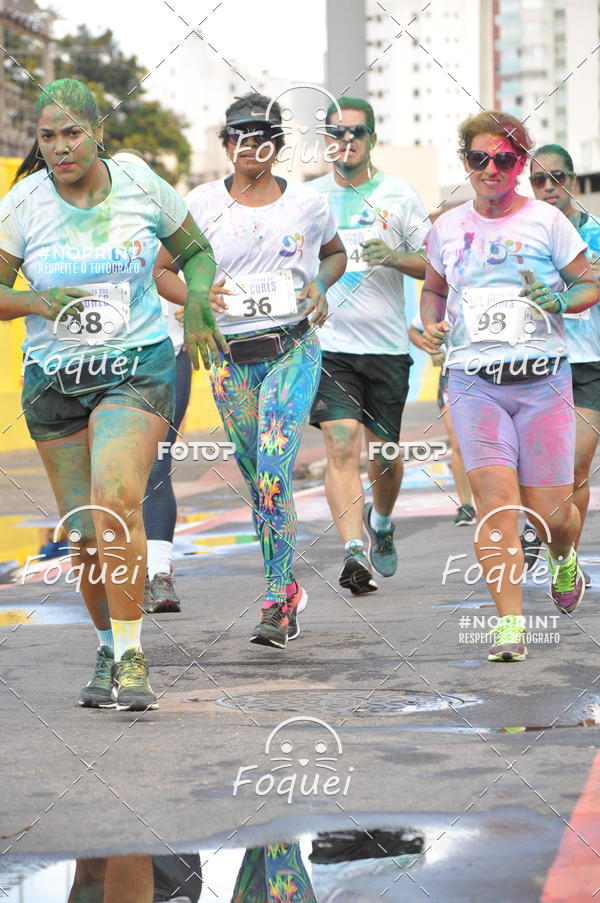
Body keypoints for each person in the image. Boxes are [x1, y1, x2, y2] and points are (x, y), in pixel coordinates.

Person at [0, 78, 222, 709]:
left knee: (115, 498)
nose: (61, 148)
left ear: (98, 133)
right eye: (48, 136)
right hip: (55, 384)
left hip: (136, 370)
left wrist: (200, 296)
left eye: (73, 133)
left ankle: (131, 655)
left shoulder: (138, 183)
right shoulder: (23, 204)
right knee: (85, 537)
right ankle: (106, 645)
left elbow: (196, 251)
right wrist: (38, 302)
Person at [155, 92, 346, 649]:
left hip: (291, 348)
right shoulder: (201, 203)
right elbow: (163, 271)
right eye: (237, 135)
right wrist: (195, 294)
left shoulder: (306, 204)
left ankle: (276, 599)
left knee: (272, 472)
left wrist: (321, 284)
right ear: (226, 143)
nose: (248, 145)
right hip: (226, 360)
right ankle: (286, 589)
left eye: (260, 134)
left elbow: (335, 254)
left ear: (276, 144)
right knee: (258, 481)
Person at [420, 111, 598, 662]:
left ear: (520, 164)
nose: (491, 168)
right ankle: (510, 628)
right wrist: (432, 324)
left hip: (543, 382)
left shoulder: (547, 222)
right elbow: (434, 290)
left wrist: (559, 301)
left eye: (504, 159)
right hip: (475, 384)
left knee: (550, 513)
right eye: (480, 158)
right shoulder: (447, 228)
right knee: (496, 505)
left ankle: (565, 556)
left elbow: (589, 283)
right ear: (466, 163)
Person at [308, 97, 430, 595]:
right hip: (329, 345)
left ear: (372, 139)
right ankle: (352, 550)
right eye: (337, 134)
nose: (347, 142)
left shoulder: (400, 196)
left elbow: (433, 265)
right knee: (339, 443)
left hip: (385, 348)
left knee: (384, 454)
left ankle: (380, 521)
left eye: (356, 133)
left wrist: (396, 257)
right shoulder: (309, 198)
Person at [110, 149, 192, 614]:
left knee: (156, 463)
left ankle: (159, 575)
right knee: (114, 474)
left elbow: (204, 262)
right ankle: (121, 570)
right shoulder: (86, 233)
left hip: (166, 357)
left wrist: (195, 301)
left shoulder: (166, 228)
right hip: (102, 364)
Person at [524, 144, 600, 587]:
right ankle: (547, 531)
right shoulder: (524, 236)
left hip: (588, 363)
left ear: (572, 181)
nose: (549, 187)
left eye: (558, 177)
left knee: (573, 468)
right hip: (533, 365)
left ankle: (566, 559)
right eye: (538, 180)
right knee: (534, 471)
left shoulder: (595, 234)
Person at [408, 313, 476, 525]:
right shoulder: (443, 297)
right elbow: (414, 329)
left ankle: (498, 499)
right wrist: (432, 348)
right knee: (458, 441)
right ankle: (466, 505)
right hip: (453, 376)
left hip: (497, 374)